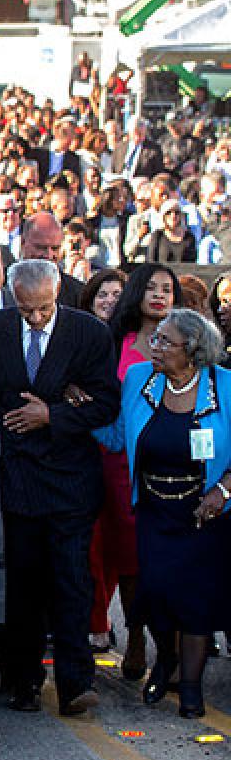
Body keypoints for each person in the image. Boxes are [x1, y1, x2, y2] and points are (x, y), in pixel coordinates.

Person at [0, 259, 119, 716]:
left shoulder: (89, 334)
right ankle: (23, 680)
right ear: (12, 299)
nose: (35, 318)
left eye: (44, 309)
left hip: (70, 475)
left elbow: (106, 404)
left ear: (58, 297)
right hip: (20, 475)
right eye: (26, 309)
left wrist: (52, 415)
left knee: (71, 580)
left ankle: (75, 682)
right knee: (25, 582)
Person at [96, 308, 231, 719]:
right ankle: (166, 661)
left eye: (164, 342)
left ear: (191, 350)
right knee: (155, 592)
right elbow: (117, 436)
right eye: (154, 340)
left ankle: (190, 687)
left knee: (195, 600)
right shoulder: (139, 379)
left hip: (205, 515)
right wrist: (81, 412)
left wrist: (223, 490)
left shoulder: (224, 387)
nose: (153, 348)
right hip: (155, 511)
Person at [93, 264, 180, 672]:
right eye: (152, 287)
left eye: (167, 288)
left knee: (170, 556)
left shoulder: (188, 343)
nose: (160, 295)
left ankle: (171, 647)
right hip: (119, 463)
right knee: (128, 558)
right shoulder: (115, 341)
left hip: (174, 462)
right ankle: (135, 637)